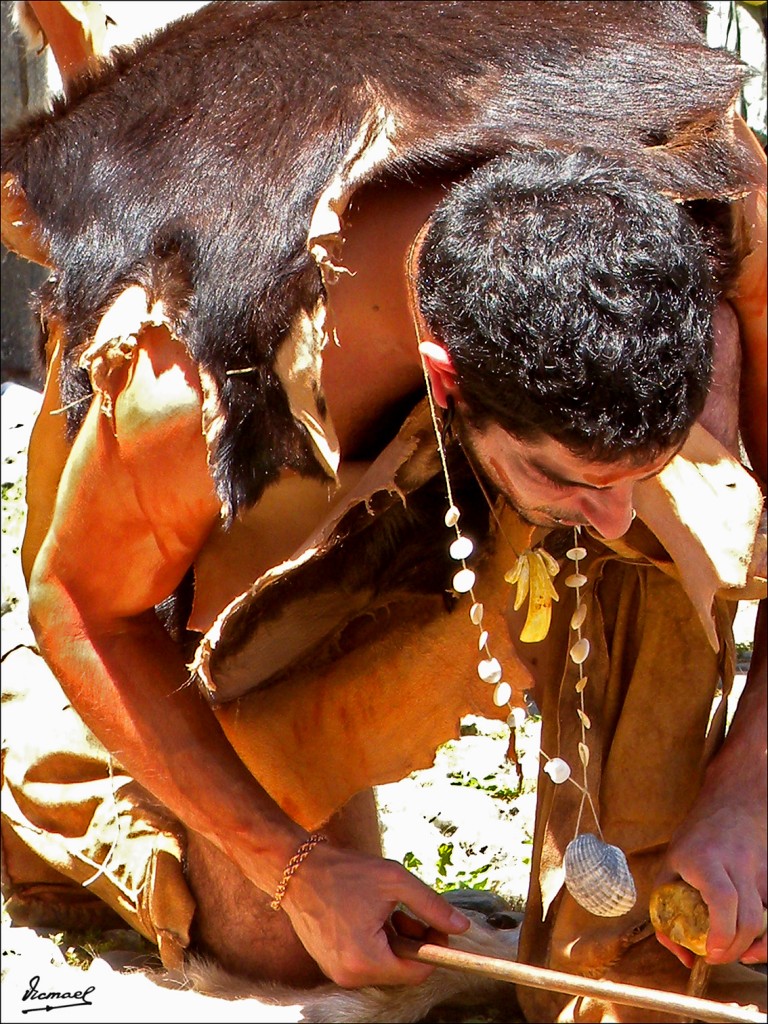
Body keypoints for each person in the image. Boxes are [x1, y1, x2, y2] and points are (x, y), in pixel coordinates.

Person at [1, 2, 765, 1020]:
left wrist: (748, 787)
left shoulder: (719, 197)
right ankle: (59, 780)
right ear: (445, 380)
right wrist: (296, 870)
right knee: (278, 942)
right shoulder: (191, 376)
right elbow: (75, 604)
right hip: (256, 343)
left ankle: (632, 865)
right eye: (578, 482)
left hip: (463, 225)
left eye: (641, 473)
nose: (621, 517)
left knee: (633, 979)